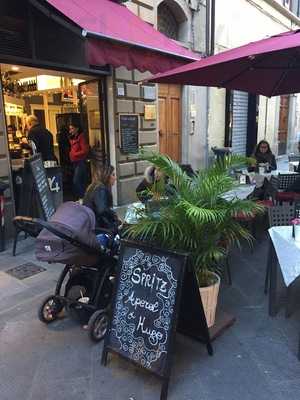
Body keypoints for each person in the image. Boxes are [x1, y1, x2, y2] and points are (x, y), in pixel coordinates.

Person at [83, 162, 121, 232]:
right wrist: (114, 216)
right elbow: (102, 210)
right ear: (107, 176)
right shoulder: (100, 188)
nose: (115, 178)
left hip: (91, 223)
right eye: (113, 175)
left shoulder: (95, 186)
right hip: (95, 225)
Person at [69, 122, 89, 199]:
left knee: (76, 181)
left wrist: (74, 154)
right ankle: (82, 198)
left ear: (77, 129)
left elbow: (85, 150)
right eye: (70, 129)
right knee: (81, 181)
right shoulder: (74, 137)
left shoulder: (81, 137)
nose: (70, 130)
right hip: (75, 162)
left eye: (72, 128)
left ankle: (83, 198)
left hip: (80, 162)